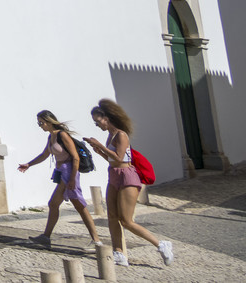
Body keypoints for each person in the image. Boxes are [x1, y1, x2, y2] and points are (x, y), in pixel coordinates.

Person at [87, 99, 175, 267]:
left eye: (98, 121)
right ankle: (119, 253)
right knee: (112, 217)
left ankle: (161, 244)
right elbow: (113, 160)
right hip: (114, 175)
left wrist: (100, 146)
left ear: (106, 118)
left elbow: (120, 157)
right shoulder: (110, 136)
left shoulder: (121, 135)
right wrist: (99, 151)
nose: (97, 125)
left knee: (126, 220)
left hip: (127, 177)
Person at [16, 109, 98, 247]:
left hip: (69, 173)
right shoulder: (51, 137)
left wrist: (72, 178)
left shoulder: (62, 135)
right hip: (61, 173)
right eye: (38, 123)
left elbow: (76, 158)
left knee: (79, 206)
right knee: (53, 204)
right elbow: (44, 155)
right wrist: (29, 164)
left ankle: (97, 241)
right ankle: (46, 237)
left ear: (49, 122)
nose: (40, 126)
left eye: (41, 123)